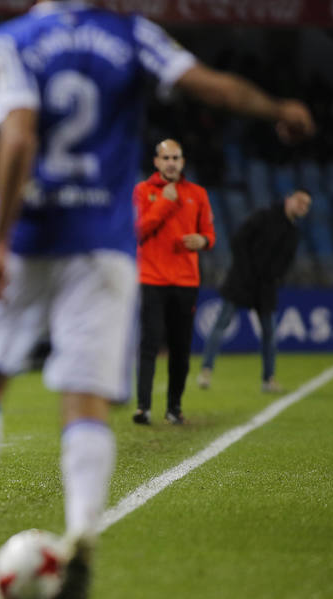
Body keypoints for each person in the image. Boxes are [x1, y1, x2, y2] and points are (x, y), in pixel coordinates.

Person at [0, 0, 314, 599]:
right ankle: (82, 531)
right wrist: (277, 110)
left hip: (30, 236)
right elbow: (207, 85)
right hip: (103, 247)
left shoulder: (12, 40)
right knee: (84, 402)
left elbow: (20, 133)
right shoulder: (132, 36)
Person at [132, 139, 215, 425]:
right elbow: (138, 231)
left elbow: (210, 234)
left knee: (181, 348)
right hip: (152, 278)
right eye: (165, 157)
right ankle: (143, 407)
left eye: (175, 158)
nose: (170, 162)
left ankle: (174, 407)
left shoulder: (198, 194)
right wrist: (165, 203)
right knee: (149, 344)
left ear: (183, 162)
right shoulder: (143, 191)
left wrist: (202, 240)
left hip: (185, 281)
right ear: (156, 161)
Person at [198, 189, 313, 392]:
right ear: (288, 199)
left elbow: (285, 264)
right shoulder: (264, 216)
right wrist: (245, 270)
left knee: (269, 333)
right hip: (241, 280)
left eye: (306, 205)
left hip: (266, 287)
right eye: (300, 201)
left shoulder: (294, 233)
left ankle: (269, 379)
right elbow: (238, 240)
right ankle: (206, 371)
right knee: (221, 324)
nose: (302, 207)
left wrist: (275, 279)